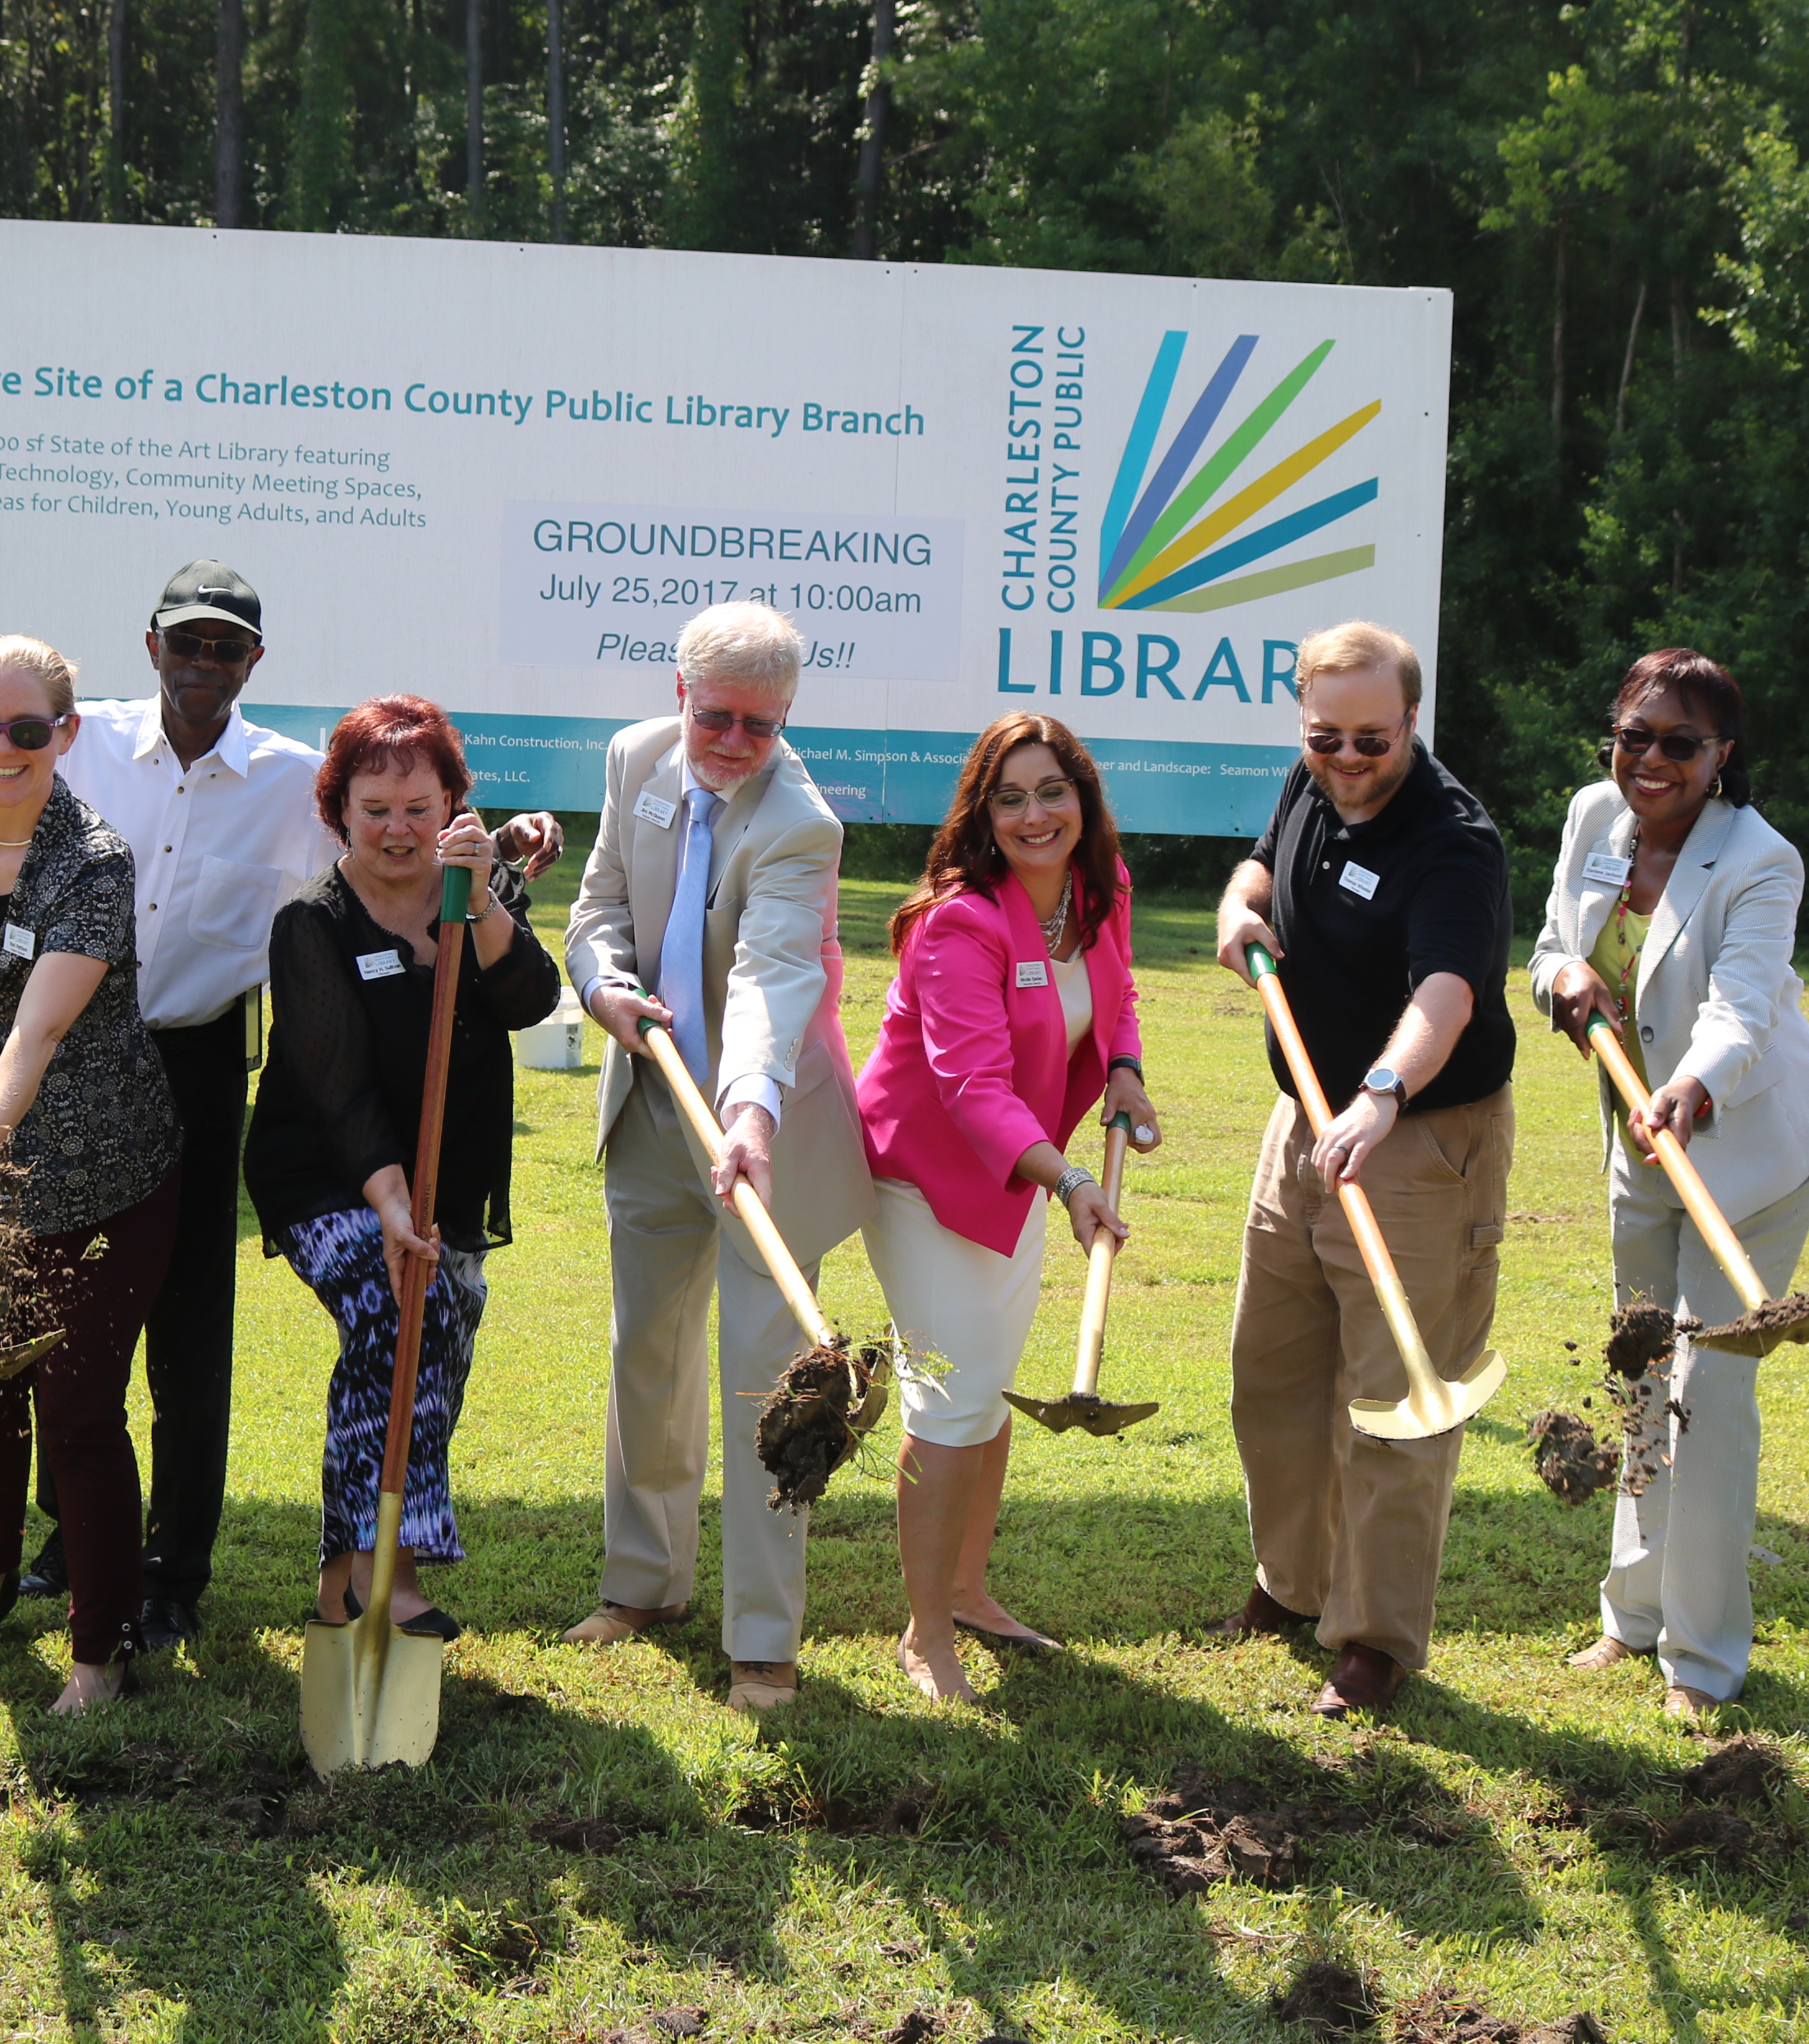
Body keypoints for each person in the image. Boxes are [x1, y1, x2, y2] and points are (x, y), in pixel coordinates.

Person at [20, 561, 561, 1650]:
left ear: (253, 661)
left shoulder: (289, 778)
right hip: (89, 1064)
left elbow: (426, 863)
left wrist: (497, 856)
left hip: (203, 1065)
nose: (203, 661)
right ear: (153, 645)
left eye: (225, 646)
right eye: (187, 641)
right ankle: (83, 1540)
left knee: (201, 1327)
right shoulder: (85, 747)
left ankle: (186, 1567)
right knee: (72, 1314)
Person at [563, 604, 874, 1713]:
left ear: (787, 717)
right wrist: (604, 985)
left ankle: (762, 1642)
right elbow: (598, 906)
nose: (737, 741)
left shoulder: (801, 825)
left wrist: (749, 1113)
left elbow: (771, 977)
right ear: (679, 691)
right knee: (645, 1353)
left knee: (768, 1383)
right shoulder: (634, 758)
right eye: (717, 717)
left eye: (762, 724)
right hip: (654, 1105)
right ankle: (643, 1584)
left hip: (762, 1131)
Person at [1529, 650, 1809, 1720]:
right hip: (1639, 1139)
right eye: (1634, 736)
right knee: (1641, 1368)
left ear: (1722, 756)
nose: (1651, 759)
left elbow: (1742, 1009)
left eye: (1680, 742)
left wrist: (1692, 1086)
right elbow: (1550, 947)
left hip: (1746, 1146)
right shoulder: (1592, 817)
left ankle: (1702, 1659)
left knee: (1706, 1391)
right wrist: (1564, 976)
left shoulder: (1760, 860)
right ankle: (1631, 1615)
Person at [1210, 620, 1517, 1720]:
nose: (1346, 760)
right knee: (1273, 1373)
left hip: (1418, 1141)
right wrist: (1238, 904)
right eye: (1325, 737)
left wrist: (1382, 1094)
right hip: (1300, 1122)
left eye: (1370, 741)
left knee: (1396, 1396)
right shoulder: (1312, 776)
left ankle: (1375, 1637)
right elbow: (1263, 859)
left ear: (1412, 721)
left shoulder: (1453, 839)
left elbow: (1448, 993)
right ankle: (1292, 1582)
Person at [0, 636, 184, 1714]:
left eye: (27, 728)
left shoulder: (94, 863)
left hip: (105, 1169)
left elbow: (40, 1024)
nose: (2, 748)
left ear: (66, 733)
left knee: (75, 1408)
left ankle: (99, 1649)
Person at [855, 714, 1155, 1702]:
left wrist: (1124, 1069)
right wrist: (1068, 1183)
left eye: (1052, 791)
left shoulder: (1101, 890)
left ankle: (968, 1592)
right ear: (982, 814)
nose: (1035, 815)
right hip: (927, 1176)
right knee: (950, 1403)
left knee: (983, 1385)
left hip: (1022, 1171)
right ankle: (925, 1632)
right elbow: (971, 1087)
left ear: (1084, 799)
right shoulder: (958, 923)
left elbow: (1118, 994)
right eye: (1011, 797)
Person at [247, 696, 562, 1639]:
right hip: (330, 1176)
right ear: (338, 810)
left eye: (419, 808)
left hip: (450, 1175)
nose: (398, 829)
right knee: (398, 1314)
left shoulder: (474, 888)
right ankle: (385, 1572)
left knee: (433, 1353)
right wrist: (390, 1207)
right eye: (375, 809)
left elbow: (530, 999)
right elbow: (338, 1093)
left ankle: (348, 1573)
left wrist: (486, 897)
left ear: (453, 807)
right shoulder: (311, 924)